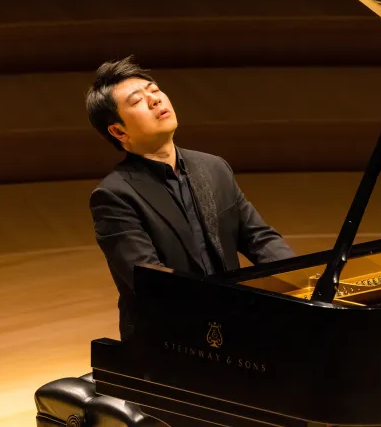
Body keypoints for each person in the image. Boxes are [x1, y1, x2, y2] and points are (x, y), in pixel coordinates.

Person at [85, 56, 296, 340]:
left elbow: (260, 238)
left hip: (232, 326)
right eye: (137, 101)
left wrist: (301, 283)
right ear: (118, 131)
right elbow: (152, 281)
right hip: (169, 338)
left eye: (155, 90)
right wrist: (235, 305)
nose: (156, 100)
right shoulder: (114, 195)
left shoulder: (213, 167)